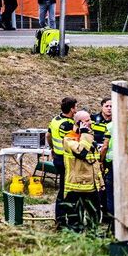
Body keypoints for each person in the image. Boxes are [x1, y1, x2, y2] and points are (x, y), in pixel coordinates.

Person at [61, 110, 104, 230]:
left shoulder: (88, 136)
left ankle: (92, 237)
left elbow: (94, 161)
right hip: (76, 186)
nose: (90, 122)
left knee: (94, 215)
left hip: (91, 185)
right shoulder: (69, 139)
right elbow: (82, 153)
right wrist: (86, 134)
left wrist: (100, 181)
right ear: (79, 123)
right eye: (87, 121)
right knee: (75, 218)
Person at [100, 108, 128, 218]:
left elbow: (105, 146)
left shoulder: (110, 126)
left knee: (112, 194)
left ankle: (114, 224)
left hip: (114, 164)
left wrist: (100, 160)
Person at [48, 97, 78, 227]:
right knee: (66, 191)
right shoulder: (68, 124)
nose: (76, 110)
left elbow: (48, 136)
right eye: (75, 107)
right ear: (71, 109)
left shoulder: (55, 119)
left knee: (63, 189)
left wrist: (53, 148)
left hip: (57, 158)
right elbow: (71, 143)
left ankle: (60, 219)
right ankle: (63, 220)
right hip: (66, 160)